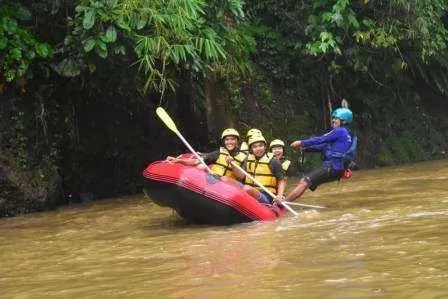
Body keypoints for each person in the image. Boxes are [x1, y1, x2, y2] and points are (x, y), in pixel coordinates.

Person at [278, 107, 356, 204]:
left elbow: (320, 139)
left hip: (331, 167)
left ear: (343, 121)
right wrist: (306, 149)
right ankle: (286, 202)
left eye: (336, 118)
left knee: (304, 182)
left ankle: (283, 203)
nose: (333, 121)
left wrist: (302, 143)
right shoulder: (348, 135)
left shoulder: (340, 131)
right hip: (337, 170)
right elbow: (324, 147)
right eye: (333, 118)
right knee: (305, 181)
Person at [166, 128, 247, 180]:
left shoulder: (243, 157)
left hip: (231, 184)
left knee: (225, 179)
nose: (229, 142)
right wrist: (178, 160)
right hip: (216, 179)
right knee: (200, 167)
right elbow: (196, 162)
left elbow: (241, 177)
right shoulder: (219, 153)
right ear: (224, 141)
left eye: (232, 139)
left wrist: (233, 165)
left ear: (237, 141)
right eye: (227, 140)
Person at [232, 134, 286, 204]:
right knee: (226, 179)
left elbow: (281, 180)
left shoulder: (273, 161)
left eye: (261, 145)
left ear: (265, 147)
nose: (258, 148)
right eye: (255, 147)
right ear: (251, 149)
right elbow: (240, 177)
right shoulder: (247, 159)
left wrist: (280, 195)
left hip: (266, 195)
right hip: (249, 189)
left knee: (247, 189)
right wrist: (233, 165)